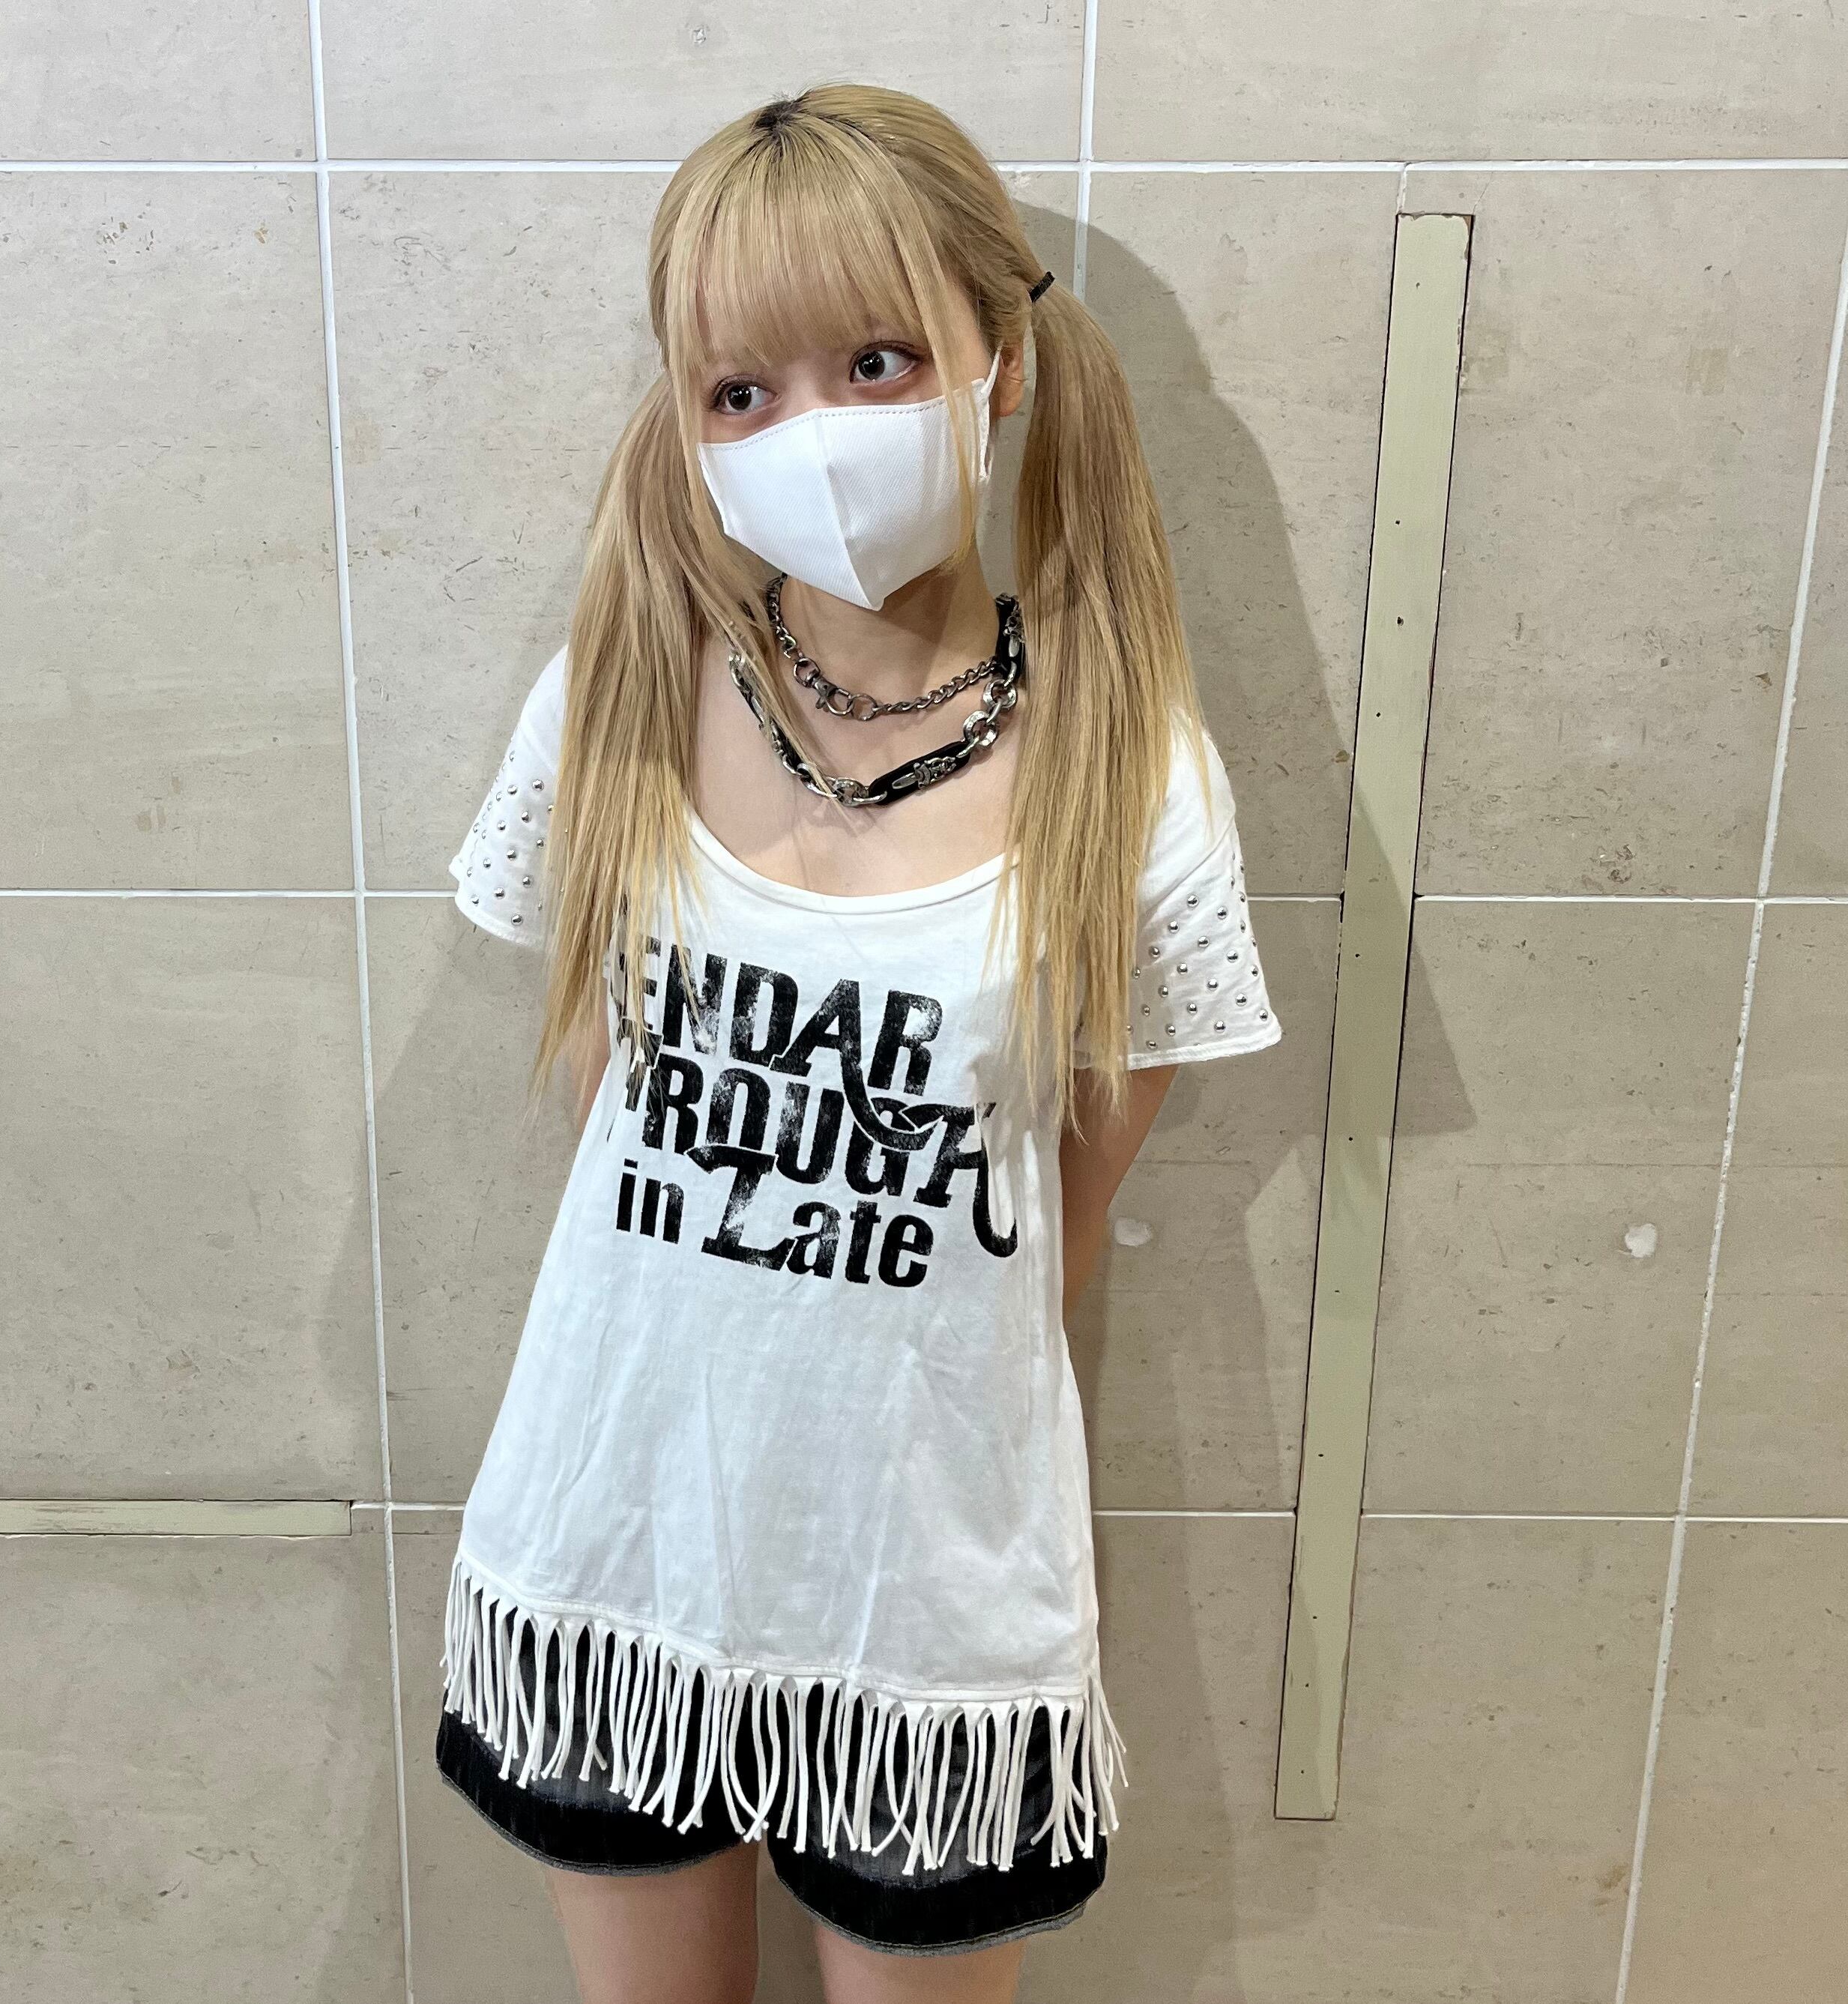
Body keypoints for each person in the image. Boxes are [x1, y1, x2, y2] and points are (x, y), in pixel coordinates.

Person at [435, 82, 1283, 2004]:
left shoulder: (1125, 769)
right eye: (739, 391)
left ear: (1000, 362)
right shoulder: (619, 699)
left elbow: (1056, 1212)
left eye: (875, 359)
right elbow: (615, 1117)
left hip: (922, 1595)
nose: (809, 433)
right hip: (615, 1542)